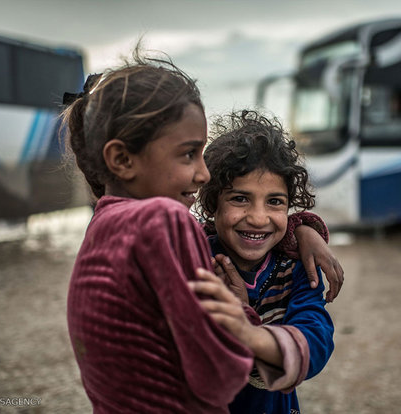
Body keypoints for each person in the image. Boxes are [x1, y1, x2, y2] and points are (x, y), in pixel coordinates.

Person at [61, 51, 340, 413]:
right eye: (189, 154)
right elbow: (217, 374)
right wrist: (242, 320)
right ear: (122, 160)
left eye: (276, 203)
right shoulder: (172, 228)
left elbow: (316, 334)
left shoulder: (103, 225)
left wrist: (303, 228)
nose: (202, 172)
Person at [192, 110, 335, 414]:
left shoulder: (295, 267)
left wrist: (246, 326)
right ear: (211, 203)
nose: (258, 219)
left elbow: (317, 338)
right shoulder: (195, 260)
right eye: (240, 199)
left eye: (275, 202)